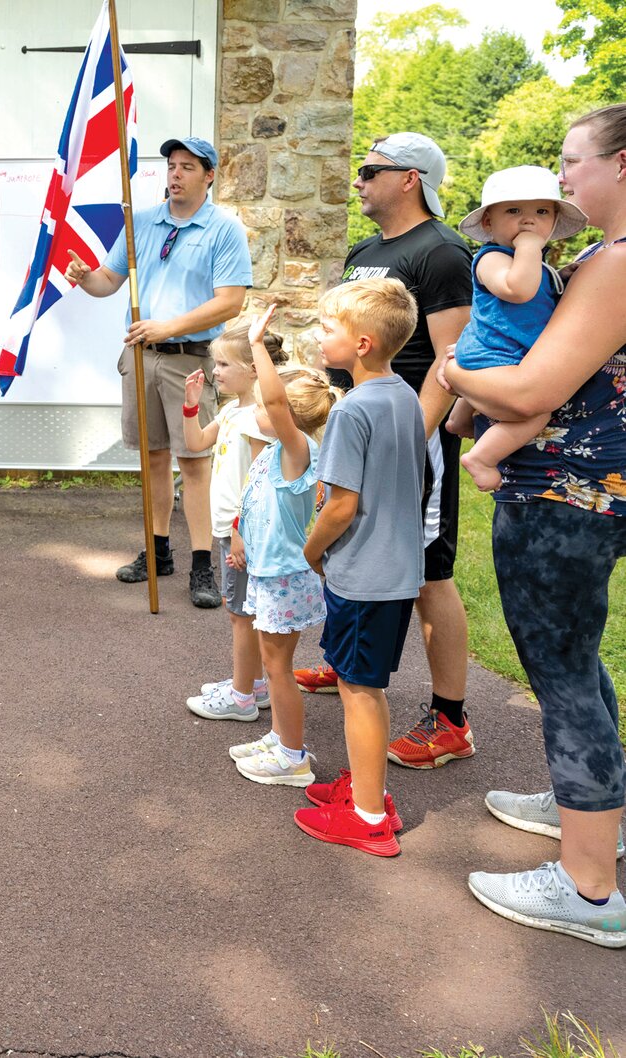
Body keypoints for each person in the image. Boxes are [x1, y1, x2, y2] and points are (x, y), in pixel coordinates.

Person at [444, 104, 626, 947]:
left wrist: (451, 370)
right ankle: (585, 811)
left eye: (573, 160)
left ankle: (590, 888)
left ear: (621, 166)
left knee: (558, 672)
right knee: (576, 659)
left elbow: (524, 393)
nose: (561, 179)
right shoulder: (596, 258)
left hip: (567, 492)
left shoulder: (616, 264)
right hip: (580, 489)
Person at [296, 132, 478, 774]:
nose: (358, 181)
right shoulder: (365, 251)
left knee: (429, 570)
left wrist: (416, 437)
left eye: (371, 171)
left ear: (410, 178)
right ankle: (350, 657)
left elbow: (452, 358)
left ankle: (450, 720)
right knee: (355, 543)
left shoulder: (444, 250)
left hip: (411, 438)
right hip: (361, 426)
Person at [66, 136, 253, 609]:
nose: (175, 174)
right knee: (152, 458)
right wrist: (84, 276)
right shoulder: (141, 223)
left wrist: (167, 326)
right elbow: (109, 282)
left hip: (190, 359)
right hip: (141, 357)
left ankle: (202, 565)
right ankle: (157, 552)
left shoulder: (223, 229)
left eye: (187, 167)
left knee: (194, 462)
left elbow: (231, 300)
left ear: (209, 175)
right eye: (171, 165)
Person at [295, 279, 425, 857]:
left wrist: (311, 549)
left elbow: (340, 504)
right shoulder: (403, 396)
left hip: (363, 573)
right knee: (362, 684)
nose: (320, 337)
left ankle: (370, 814)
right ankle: (366, 786)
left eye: (328, 328)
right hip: (395, 568)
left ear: (364, 343)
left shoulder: (350, 410)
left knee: (358, 690)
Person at [227, 308, 340, 788]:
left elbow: (274, 402)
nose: (259, 409)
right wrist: (239, 538)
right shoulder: (274, 452)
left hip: (284, 580)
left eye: (267, 407)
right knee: (273, 667)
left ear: (287, 418)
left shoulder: (299, 453)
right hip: (267, 575)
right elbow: (253, 507)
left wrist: (256, 345)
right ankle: (279, 740)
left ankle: (292, 757)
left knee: (278, 669)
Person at [446, 166, 588, 491]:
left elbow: (539, 291)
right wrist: (529, 246)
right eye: (514, 211)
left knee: (494, 397)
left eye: (541, 212)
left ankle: (458, 420)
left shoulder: (535, 266)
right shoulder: (491, 258)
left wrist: (561, 276)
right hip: (495, 357)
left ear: (553, 220)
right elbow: (518, 290)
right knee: (538, 412)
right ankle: (481, 456)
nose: (528, 221)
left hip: (499, 353)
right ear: (488, 222)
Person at [183, 321, 280, 721]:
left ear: (254, 369)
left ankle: (241, 698)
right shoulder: (230, 410)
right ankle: (253, 685)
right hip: (232, 530)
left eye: (224, 364)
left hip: (243, 532)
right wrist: (191, 405)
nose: (216, 371)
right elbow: (195, 444)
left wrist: (239, 531)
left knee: (240, 614)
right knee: (242, 610)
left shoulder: (258, 419)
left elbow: (260, 480)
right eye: (215, 363)